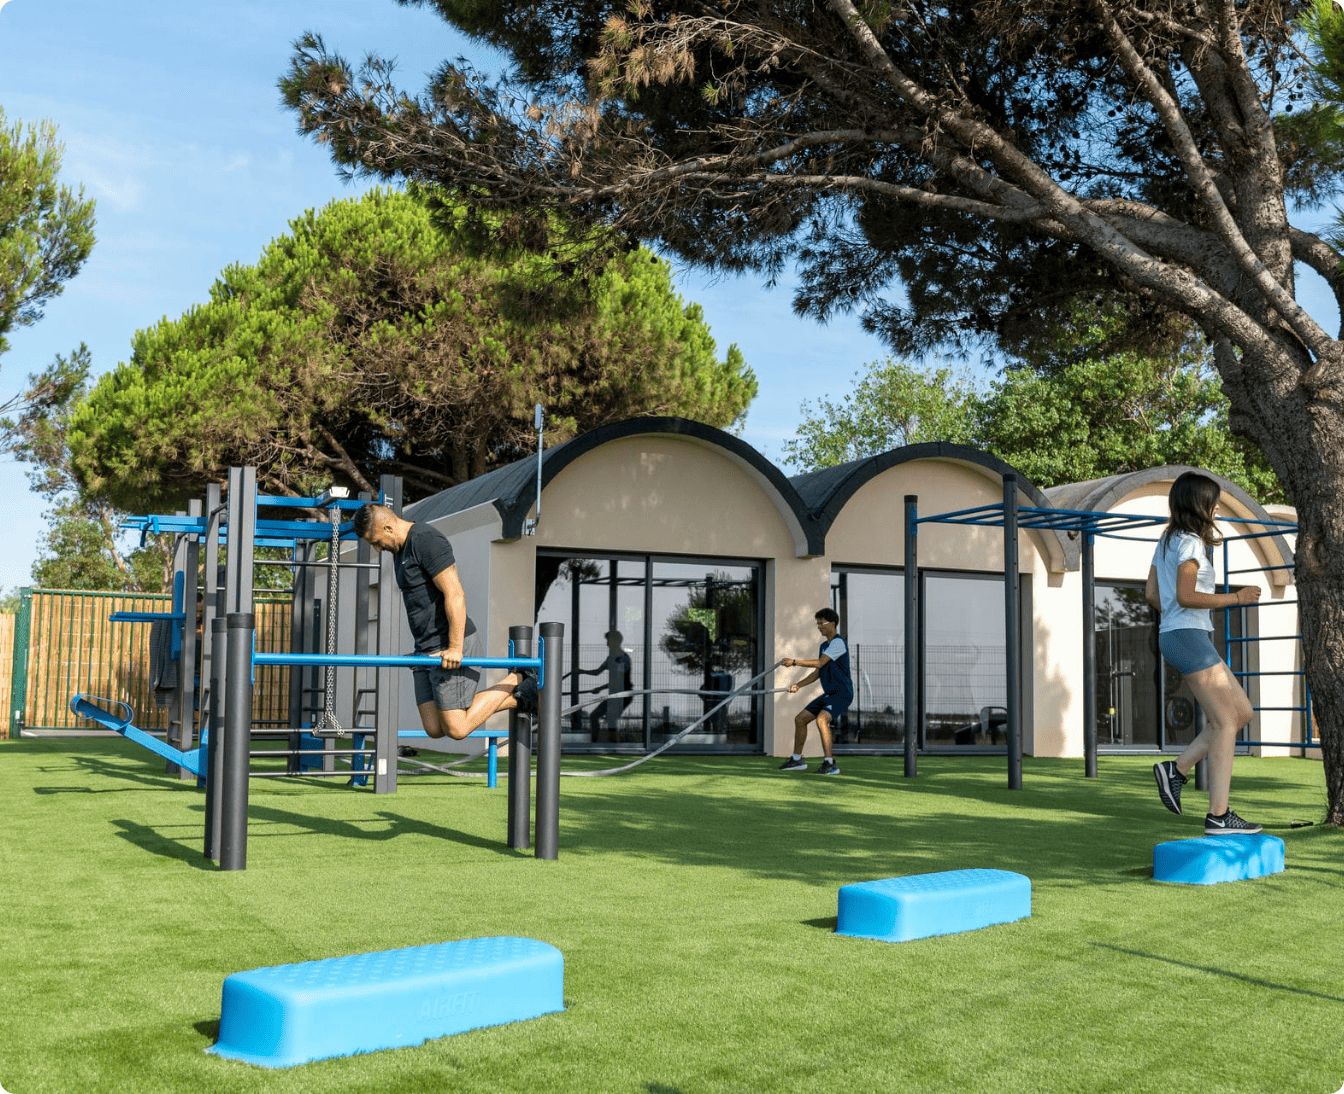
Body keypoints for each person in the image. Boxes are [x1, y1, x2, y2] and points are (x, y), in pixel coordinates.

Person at [352, 503, 536, 740]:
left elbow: (455, 593)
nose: (378, 548)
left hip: (447, 646)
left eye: (376, 541)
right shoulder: (400, 552)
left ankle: (518, 677)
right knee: (434, 728)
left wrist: (456, 648)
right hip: (425, 650)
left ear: (388, 527)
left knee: (457, 728)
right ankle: (522, 695)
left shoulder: (425, 540)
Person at [1146, 471, 1262, 834]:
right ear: (1201, 505)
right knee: (1226, 722)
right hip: (1188, 635)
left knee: (1241, 712)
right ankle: (1219, 815)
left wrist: (1178, 622)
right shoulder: (1192, 544)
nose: (1216, 509)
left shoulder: (1167, 540)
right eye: (1213, 502)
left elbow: (1152, 594)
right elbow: (1185, 595)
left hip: (1182, 634)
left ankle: (1176, 769)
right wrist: (1237, 598)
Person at [778, 607, 852, 775]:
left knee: (821, 720)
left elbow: (819, 663)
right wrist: (799, 685)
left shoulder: (838, 643)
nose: (819, 627)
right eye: (817, 623)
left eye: (821, 623)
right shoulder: (824, 646)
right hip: (829, 694)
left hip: (842, 693)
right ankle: (797, 760)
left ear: (832, 624)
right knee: (800, 719)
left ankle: (829, 763)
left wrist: (795, 662)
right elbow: (818, 672)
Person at [575, 630, 635, 739]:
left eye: (608, 641)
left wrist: (600, 688)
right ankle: (597, 742)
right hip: (614, 694)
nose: (607, 644)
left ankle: (613, 745)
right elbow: (597, 672)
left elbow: (619, 681)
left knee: (611, 719)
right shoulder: (610, 658)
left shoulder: (622, 659)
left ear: (616, 642)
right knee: (595, 716)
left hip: (623, 695)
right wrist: (581, 671)